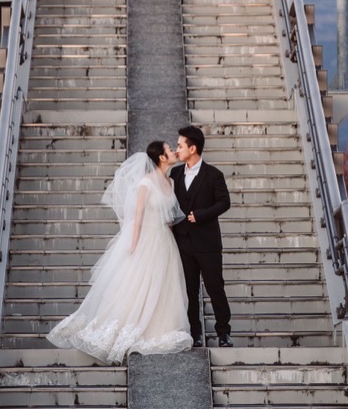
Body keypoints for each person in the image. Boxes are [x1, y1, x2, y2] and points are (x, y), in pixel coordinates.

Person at [46, 140, 193, 362]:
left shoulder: (171, 182)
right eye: (170, 150)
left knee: (164, 284)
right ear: (161, 157)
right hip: (147, 238)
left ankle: (160, 326)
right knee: (138, 284)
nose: (174, 151)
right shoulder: (145, 183)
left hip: (165, 239)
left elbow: (170, 216)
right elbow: (137, 219)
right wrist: (133, 245)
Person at [170, 125, 232, 347]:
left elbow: (225, 202)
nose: (177, 149)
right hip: (183, 242)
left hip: (208, 243)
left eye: (180, 145)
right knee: (189, 289)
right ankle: (194, 333)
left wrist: (201, 215)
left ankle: (224, 332)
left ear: (193, 148)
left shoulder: (214, 175)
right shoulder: (175, 173)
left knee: (215, 286)